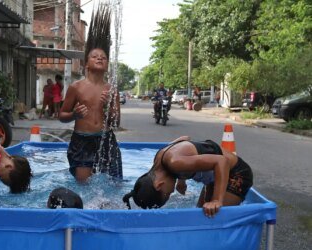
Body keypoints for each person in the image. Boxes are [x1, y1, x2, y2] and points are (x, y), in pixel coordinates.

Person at [59, 4, 123, 183]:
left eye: (103, 57)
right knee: (84, 185)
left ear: (107, 64)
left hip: (106, 138)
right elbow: (61, 115)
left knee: (115, 183)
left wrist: (108, 107)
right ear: (86, 64)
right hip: (82, 140)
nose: (100, 58)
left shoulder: (111, 90)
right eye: (95, 56)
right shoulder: (76, 87)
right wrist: (74, 114)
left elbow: (116, 122)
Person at [122, 136, 253, 217]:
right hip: (215, 177)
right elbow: (184, 139)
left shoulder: (174, 162)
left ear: (159, 184)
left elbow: (222, 162)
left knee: (213, 219)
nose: (172, 191)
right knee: (201, 217)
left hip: (236, 173)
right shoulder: (160, 157)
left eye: (167, 193)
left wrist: (216, 200)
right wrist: (181, 180)